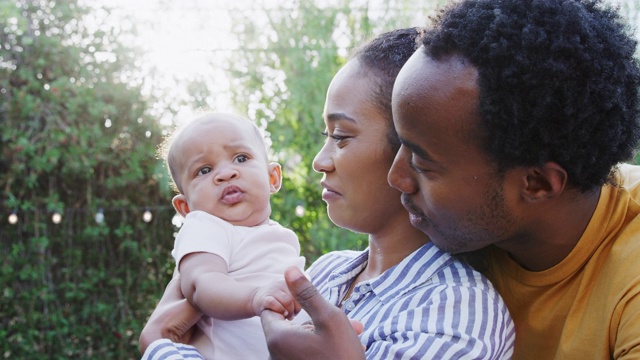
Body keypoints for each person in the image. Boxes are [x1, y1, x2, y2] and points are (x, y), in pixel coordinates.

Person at [266, 0, 640, 359]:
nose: (396, 178)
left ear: (536, 184)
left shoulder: (628, 280)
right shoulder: (455, 238)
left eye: (424, 165)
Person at [139, 28, 516, 359]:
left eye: (341, 136)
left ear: (411, 147)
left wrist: (158, 345)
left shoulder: (452, 311)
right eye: (326, 137)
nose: (320, 161)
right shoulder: (327, 272)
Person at [142, 112, 305, 359]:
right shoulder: (206, 226)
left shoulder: (281, 236)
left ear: (272, 178)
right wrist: (254, 298)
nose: (225, 173)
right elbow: (201, 284)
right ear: (186, 208)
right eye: (204, 170)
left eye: (241, 158)